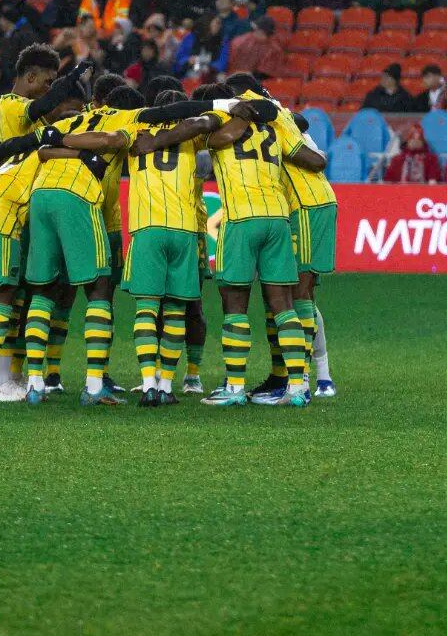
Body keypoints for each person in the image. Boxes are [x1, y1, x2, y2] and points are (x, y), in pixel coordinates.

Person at [135, 85, 323, 408]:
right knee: (283, 303)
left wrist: (155, 141)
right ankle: (297, 387)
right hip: (277, 219)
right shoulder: (275, 123)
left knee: (234, 304)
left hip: (241, 218)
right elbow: (312, 158)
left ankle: (234, 387)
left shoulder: (221, 117)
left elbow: (211, 134)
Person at [0, 91, 105, 401]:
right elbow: (52, 155)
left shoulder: (14, 151)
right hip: (0, 220)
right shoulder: (46, 150)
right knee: (4, 294)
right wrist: (85, 156)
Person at [226, 73, 340, 402]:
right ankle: (288, 377)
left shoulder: (273, 116)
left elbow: (316, 160)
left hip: (306, 205)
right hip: (293, 209)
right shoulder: (280, 117)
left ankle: (305, 379)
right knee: (283, 295)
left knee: (298, 294)